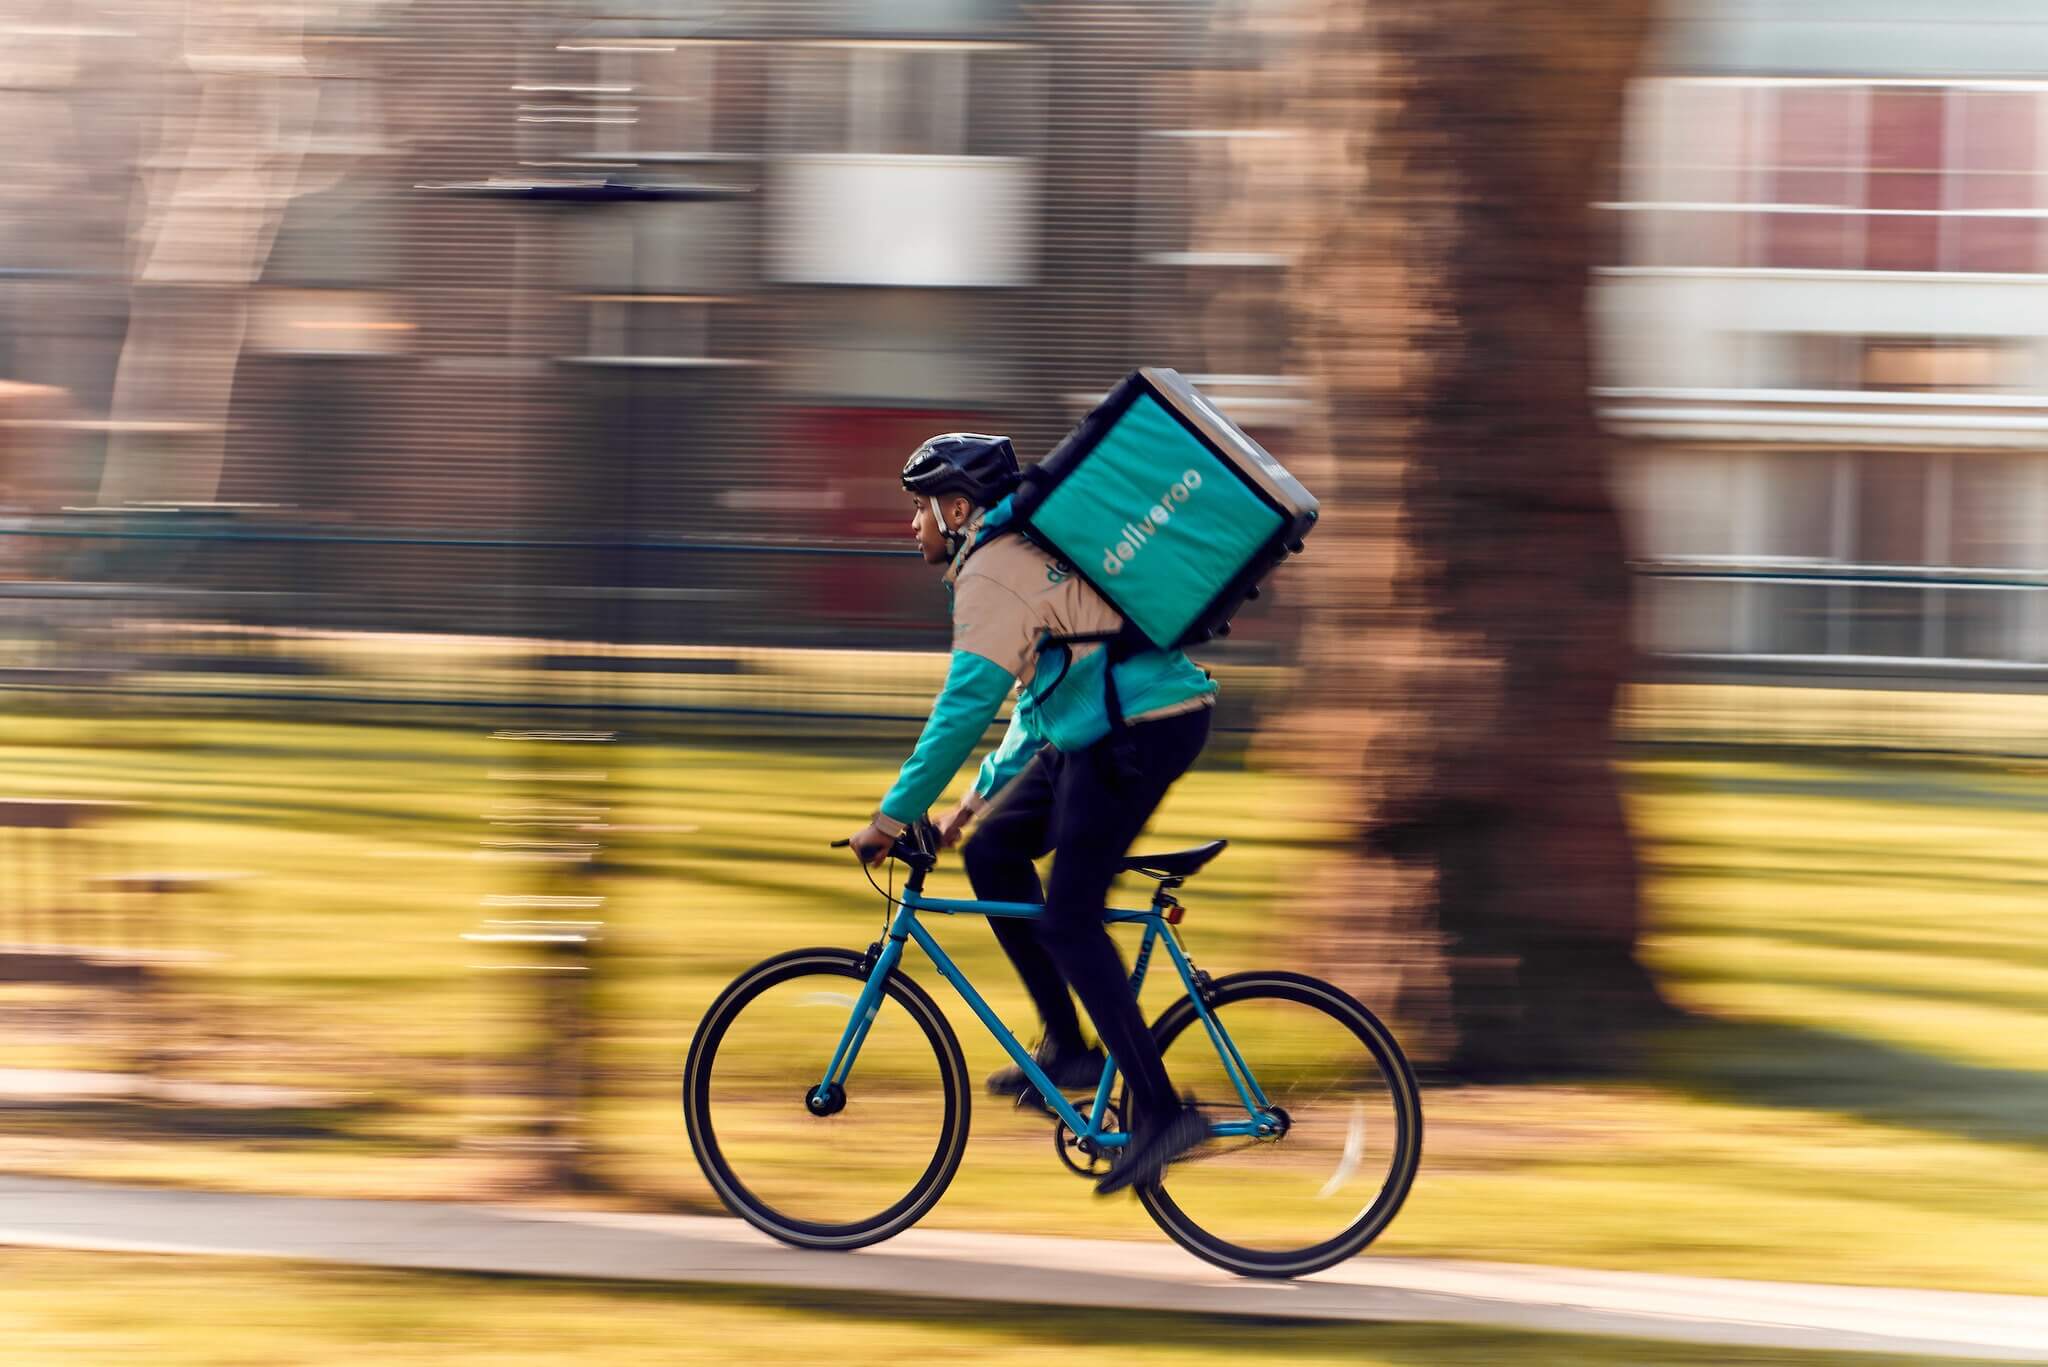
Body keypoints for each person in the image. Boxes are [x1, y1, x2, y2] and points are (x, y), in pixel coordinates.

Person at [846, 432, 1216, 1196]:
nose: (912, 524)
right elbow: (1043, 692)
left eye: (919, 508)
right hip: (1102, 726)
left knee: (1071, 920)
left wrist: (891, 817)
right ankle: (1070, 1049)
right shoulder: (1012, 553)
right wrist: (972, 803)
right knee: (992, 854)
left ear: (957, 508)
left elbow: (965, 704)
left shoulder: (993, 569)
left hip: (1141, 727)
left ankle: (1162, 1111)